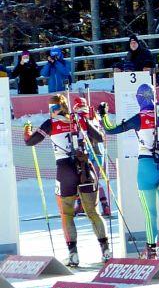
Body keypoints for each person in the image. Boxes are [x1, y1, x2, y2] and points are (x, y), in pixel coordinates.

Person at [99, 84, 159, 267]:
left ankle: (151, 255)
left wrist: (103, 115)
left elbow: (110, 129)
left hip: (146, 165)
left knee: (150, 214)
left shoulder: (139, 117)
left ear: (139, 98)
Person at [23, 93, 111, 266]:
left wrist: (27, 129)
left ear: (54, 109)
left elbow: (30, 141)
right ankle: (106, 250)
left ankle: (73, 255)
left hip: (65, 170)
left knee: (67, 214)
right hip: (85, 167)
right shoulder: (79, 119)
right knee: (93, 212)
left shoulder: (51, 123)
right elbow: (100, 137)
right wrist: (90, 121)